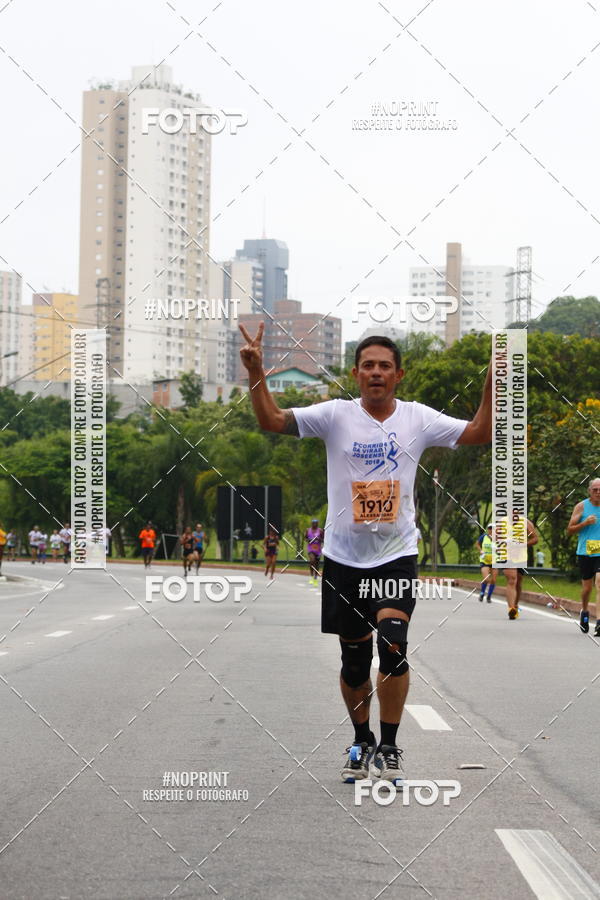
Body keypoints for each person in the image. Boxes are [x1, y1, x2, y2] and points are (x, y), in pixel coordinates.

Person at [239, 325, 492, 784]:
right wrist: (256, 372)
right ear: (356, 374)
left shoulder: (418, 418)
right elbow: (271, 421)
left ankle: (391, 744)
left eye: (385, 367)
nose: (377, 373)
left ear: (399, 375)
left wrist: (493, 384)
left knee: (393, 645)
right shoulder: (335, 415)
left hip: (395, 555)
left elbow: (477, 432)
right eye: (369, 366)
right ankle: (361, 739)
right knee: (354, 662)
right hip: (343, 558)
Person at [566, 478, 600, 636]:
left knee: (599, 582)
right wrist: (585, 523)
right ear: (589, 491)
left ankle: (599, 622)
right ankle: (585, 611)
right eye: (595, 490)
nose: (598, 492)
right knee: (587, 588)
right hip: (586, 551)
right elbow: (570, 530)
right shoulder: (581, 506)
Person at [502, 518, 539, 620]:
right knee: (512, 579)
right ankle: (511, 609)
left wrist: (521, 544)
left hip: (520, 557)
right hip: (506, 556)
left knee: (518, 582)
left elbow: (535, 539)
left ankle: (515, 605)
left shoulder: (525, 522)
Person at [476, 524, 497, 603]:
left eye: (493, 528)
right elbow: (477, 544)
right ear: (487, 529)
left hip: (495, 561)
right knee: (487, 579)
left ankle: (489, 596)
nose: (491, 530)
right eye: (490, 528)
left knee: (494, 580)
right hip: (485, 561)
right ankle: (482, 593)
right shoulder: (483, 536)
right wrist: (480, 550)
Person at [306, 519, 325, 586]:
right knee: (312, 560)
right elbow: (306, 538)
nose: (314, 524)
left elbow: (323, 539)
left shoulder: (320, 531)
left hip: (318, 549)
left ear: (317, 524)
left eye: (316, 523)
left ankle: (315, 578)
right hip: (310, 548)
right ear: (311, 523)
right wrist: (309, 540)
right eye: (313, 523)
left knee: (317, 564)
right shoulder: (308, 530)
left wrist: (318, 539)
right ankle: (311, 576)